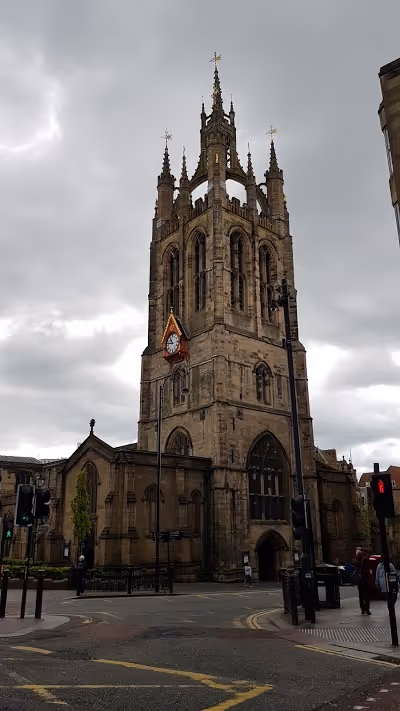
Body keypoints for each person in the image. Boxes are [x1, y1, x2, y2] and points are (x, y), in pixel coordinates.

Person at [354, 547, 371, 615]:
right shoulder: (365, 560)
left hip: (360, 580)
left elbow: (356, 569)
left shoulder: (357, 560)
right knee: (366, 595)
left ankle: (363, 609)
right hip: (365, 579)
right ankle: (367, 609)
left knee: (361, 595)